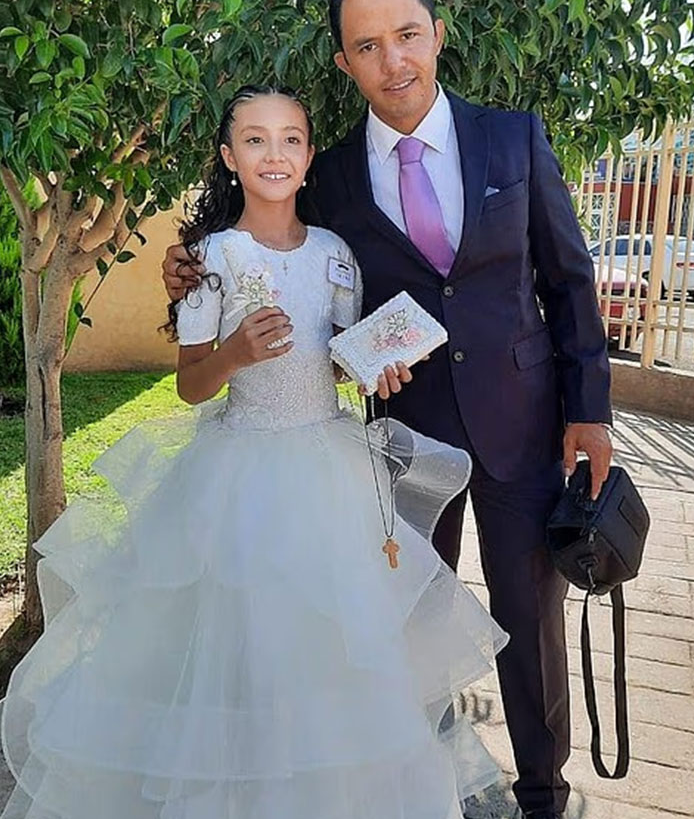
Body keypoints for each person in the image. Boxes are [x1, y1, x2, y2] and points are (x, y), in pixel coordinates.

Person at [162, 0, 614, 819]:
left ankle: (543, 794)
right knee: (409, 619)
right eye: (367, 46)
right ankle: (425, 786)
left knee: (531, 619)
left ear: (437, 33)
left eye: (407, 35)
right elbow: (270, 247)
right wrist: (188, 270)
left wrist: (589, 411)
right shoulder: (328, 175)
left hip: (524, 426)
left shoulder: (513, 138)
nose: (392, 60)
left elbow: (568, 281)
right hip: (401, 438)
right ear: (345, 61)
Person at [0, 85, 508, 819]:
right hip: (240, 475)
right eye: (256, 139)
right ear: (229, 157)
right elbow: (190, 386)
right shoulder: (211, 259)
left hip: (328, 468)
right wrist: (235, 352)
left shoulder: (336, 254)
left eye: (291, 139)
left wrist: (375, 365)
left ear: (310, 155)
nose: (275, 154)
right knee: (239, 646)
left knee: (328, 649)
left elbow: (336, 357)